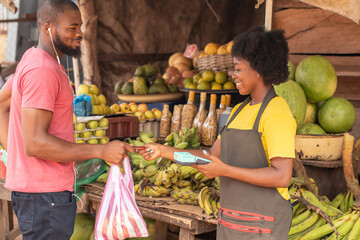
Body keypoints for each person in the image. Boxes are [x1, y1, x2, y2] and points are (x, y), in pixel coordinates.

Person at [140, 27, 296, 240]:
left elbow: (282, 176)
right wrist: (164, 151)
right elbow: (209, 158)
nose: (234, 75)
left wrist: (225, 170)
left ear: (259, 69)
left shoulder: (276, 112)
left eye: (239, 69)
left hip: (263, 228)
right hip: (231, 226)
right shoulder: (240, 110)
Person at [0, 0, 133, 239]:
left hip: (39, 195)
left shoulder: (34, 60)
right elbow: (36, 143)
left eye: (80, 26)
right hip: (45, 198)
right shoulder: (43, 70)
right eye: (72, 28)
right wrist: (101, 151)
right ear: (48, 27)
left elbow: (1, 106)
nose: (80, 33)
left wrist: (17, 156)